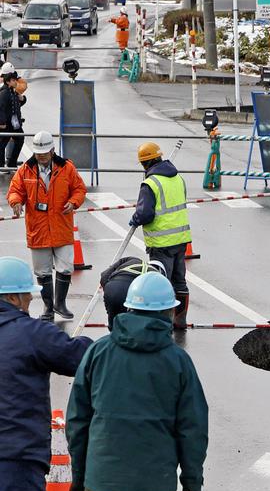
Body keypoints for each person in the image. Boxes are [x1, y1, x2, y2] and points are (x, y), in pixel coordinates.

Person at [67, 272, 209, 491]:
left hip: (102, 482)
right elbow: (193, 428)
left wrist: (80, 476)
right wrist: (192, 480)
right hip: (153, 488)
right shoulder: (177, 362)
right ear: (169, 313)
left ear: (128, 309)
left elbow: (77, 421)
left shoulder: (99, 352)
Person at [0, 256, 92, 491]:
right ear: (20, 296)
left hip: (17, 459)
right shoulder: (32, 334)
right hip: (17, 464)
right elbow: (82, 357)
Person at [7, 131, 88, 322]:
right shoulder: (25, 170)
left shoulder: (66, 168)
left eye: (44, 153)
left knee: (66, 267)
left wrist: (74, 202)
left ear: (52, 151)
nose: (40, 156)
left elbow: (79, 189)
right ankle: (48, 307)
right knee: (42, 271)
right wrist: (16, 202)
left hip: (61, 225)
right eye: (38, 153)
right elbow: (15, 191)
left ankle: (60, 304)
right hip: (38, 229)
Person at [129, 142, 192, 330]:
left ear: (144, 164)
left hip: (161, 242)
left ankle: (163, 323)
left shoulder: (150, 183)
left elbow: (146, 213)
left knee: (161, 283)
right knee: (179, 281)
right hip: (180, 239)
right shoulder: (178, 178)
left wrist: (135, 217)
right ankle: (180, 321)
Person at [100, 257, 167, 330]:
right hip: (132, 296)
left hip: (113, 287)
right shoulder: (158, 279)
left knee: (115, 327)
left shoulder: (131, 260)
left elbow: (104, 276)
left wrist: (109, 290)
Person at [0, 63, 26, 169]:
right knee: (2, 145)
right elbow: (0, 108)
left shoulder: (13, 91)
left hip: (14, 124)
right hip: (6, 124)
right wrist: (2, 123)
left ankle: (12, 163)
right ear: (8, 81)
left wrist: (23, 99)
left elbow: (16, 104)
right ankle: (2, 165)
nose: (16, 82)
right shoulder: (4, 93)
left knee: (20, 139)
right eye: (13, 80)